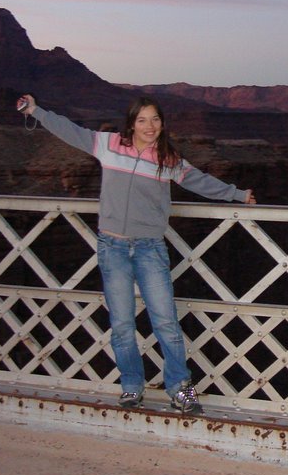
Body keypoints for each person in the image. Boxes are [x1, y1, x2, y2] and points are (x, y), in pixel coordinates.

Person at [15, 94, 256, 413]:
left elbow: (199, 182)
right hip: (112, 247)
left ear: (162, 123)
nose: (150, 126)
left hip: (149, 248)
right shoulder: (109, 144)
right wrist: (36, 111)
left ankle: (180, 388)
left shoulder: (167, 159)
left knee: (166, 321)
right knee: (123, 323)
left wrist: (237, 195)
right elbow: (70, 130)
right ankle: (131, 386)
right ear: (131, 123)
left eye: (155, 119)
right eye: (142, 120)